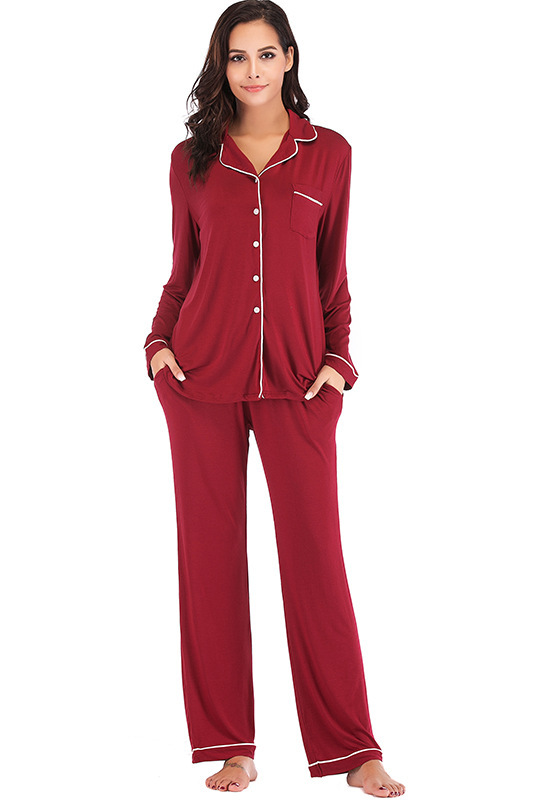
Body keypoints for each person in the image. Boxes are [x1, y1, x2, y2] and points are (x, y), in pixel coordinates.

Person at [143, 2, 406, 796]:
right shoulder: (191, 160)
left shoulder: (330, 155)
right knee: (210, 563)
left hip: (299, 383)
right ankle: (231, 747)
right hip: (199, 381)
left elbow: (334, 274)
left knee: (316, 560)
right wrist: (157, 347)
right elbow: (183, 272)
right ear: (221, 66)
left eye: (264, 54)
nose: (251, 70)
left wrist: (339, 363)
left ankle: (353, 749)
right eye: (236, 57)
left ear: (289, 58)